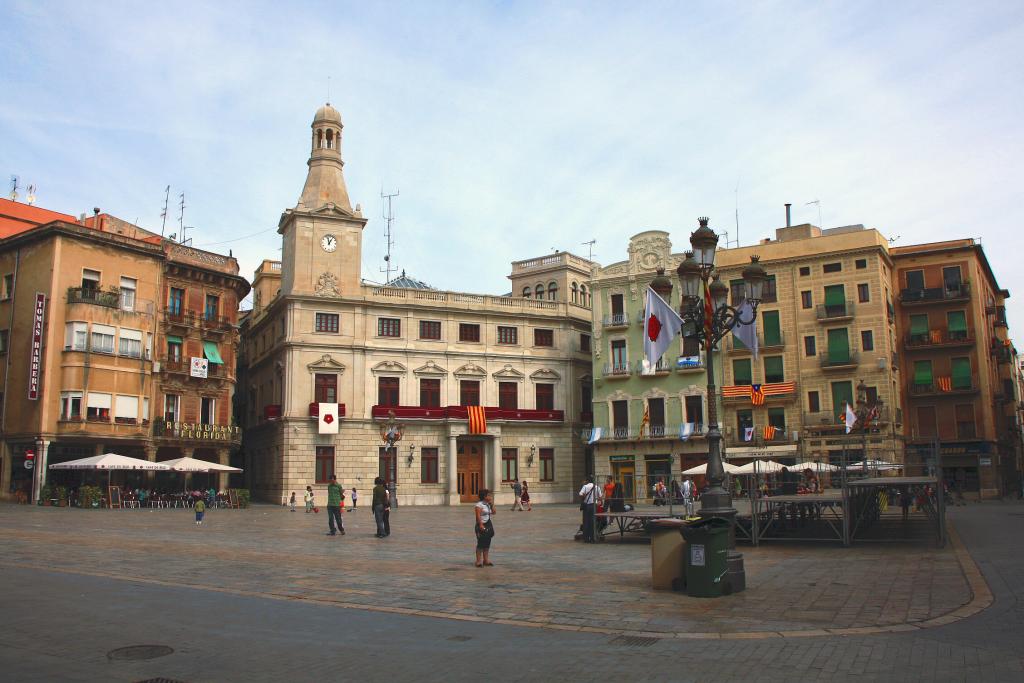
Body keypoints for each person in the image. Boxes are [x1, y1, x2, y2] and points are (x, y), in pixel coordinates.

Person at [474, 488, 496, 567]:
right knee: (480, 544)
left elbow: (494, 512)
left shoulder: (488, 504)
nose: (490, 496)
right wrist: (480, 525)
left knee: (487, 543)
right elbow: (478, 516)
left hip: (488, 524)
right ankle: (478, 561)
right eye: (488, 495)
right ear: (484, 496)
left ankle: (486, 560)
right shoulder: (479, 505)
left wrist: (492, 504)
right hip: (481, 524)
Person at [579, 476, 599, 542]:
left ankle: (586, 538)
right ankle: (593, 537)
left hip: (587, 506)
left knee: (586, 521)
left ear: (587, 481)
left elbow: (580, 494)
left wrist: (584, 496)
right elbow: (600, 496)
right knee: (593, 521)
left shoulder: (585, 486)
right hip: (594, 506)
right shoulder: (597, 487)